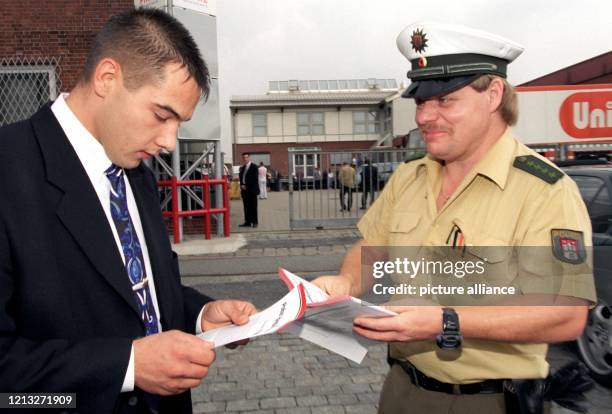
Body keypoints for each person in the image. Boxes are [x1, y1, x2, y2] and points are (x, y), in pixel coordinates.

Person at [314, 22, 595, 414]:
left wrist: (446, 321)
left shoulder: (544, 190)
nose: (425, 116)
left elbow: (564, 316)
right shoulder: (410, 176)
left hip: (490, 400)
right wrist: (345, 281)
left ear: (493, 95)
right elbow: (374, 247)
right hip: (401, 391)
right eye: (420, 101)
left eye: (444, 100)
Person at [0, 9, 256, 414]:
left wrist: (201, 315)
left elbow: (141, 293)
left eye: (180, 123)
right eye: (161, 115)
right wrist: (128, 366)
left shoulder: (135, 173)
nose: (169, 142)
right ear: (107, 79)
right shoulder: (10, 172)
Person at [239, 152, 259, 227]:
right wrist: (242, 185)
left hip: (252, 190)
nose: (245, 159)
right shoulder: (243, 167)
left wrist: (246, 185)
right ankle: (247, 222)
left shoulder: (254, 167)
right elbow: (241, 178)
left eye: (246, 157)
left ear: (249, 158)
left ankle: (255, 222)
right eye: (243, 157)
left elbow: (254, 178)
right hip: (244, 190)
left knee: (253, 206)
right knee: (246, 206)